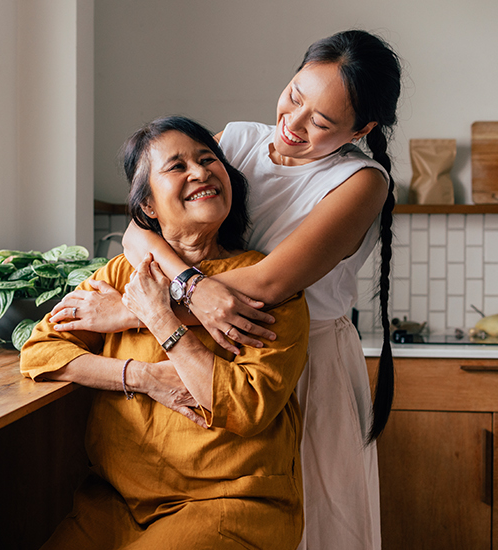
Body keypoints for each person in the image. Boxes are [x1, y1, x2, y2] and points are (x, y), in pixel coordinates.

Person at [49, 30, 401, 550]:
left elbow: (270, 284)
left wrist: (135, 313)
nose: (294, 123)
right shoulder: (236, 140)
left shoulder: (360, 181)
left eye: (321, 122)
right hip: (208, 354)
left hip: (298, 359)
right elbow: (138, 227)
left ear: (362, 129)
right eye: (295, 95)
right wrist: (190, 287)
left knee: (311, 525)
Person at [21, 115, 311, 550]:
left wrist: (160, 318)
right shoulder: (124, 272)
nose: (201, 171)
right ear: (148, 207)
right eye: (176, 166)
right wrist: (141, 377)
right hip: (114, 503)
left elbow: (247, 405)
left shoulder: (267, 283)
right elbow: (41, 350)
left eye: (208, 158)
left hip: (231, 504)